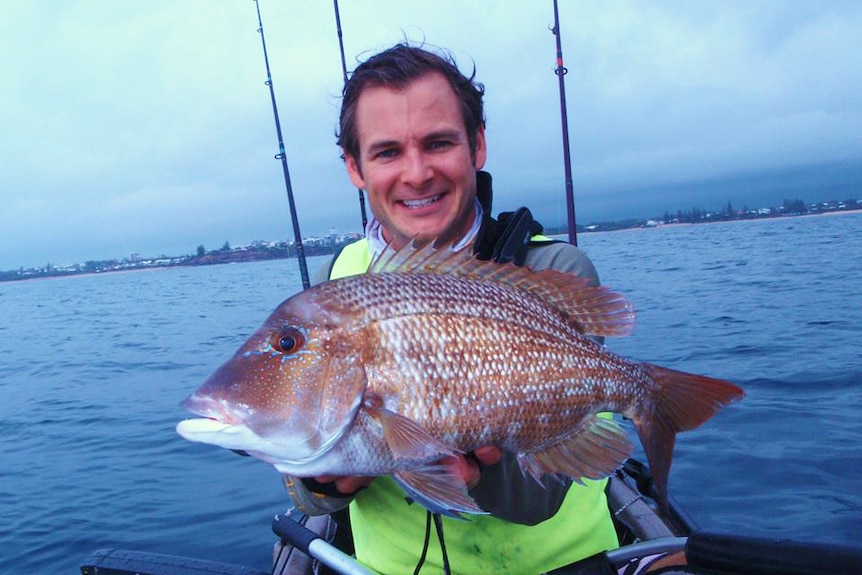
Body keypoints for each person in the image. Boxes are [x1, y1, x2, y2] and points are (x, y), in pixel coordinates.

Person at [284, 43, 618, 575]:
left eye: (438, 143)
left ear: (477, 146)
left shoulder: (553, 269)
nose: (416, 174)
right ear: (354, 167)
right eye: (387, 152)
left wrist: (473, 472)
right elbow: (311, 492)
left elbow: (544, 495)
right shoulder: (339, 279)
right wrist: (318, 481)